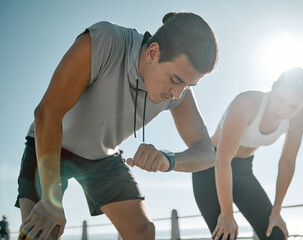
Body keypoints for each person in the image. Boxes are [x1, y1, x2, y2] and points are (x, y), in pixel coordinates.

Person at [15, 12, 218, 240]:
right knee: (41, 233)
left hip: (101, 156)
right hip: (51, 142)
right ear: (153, 53)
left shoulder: (179, 93)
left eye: (189, 85)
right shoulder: (106, 41)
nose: (177, 94)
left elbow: (207, 153)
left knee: (143, 233)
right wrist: (50, 200)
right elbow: (48, 113)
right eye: (175, 80)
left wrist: (168, 159)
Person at [192, 68, 303, 240]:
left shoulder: (301, 116)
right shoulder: (247, 102)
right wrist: (227, 214)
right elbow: (223, 159)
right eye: (280, 99)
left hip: (243, 171)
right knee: (225, 235)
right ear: (273, 88)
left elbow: (287, 162)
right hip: (210, 168)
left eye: (293, 106)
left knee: (276, 234)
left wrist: (276, 210)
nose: (283, 110)